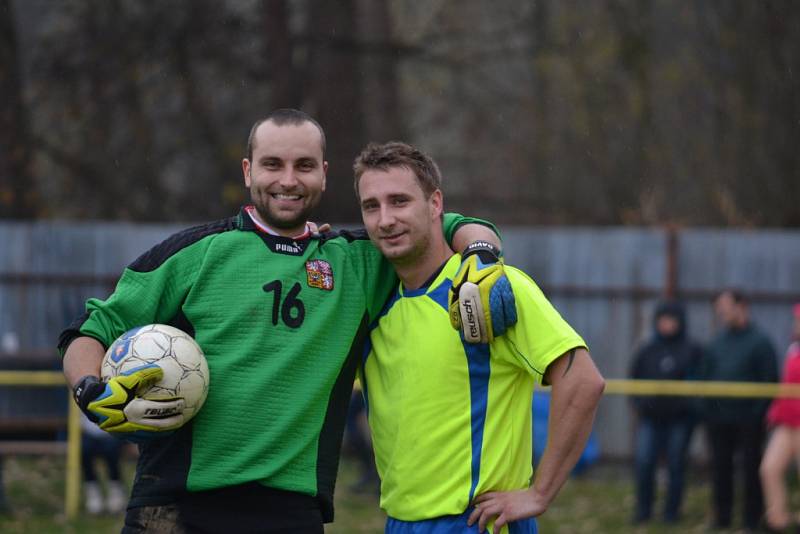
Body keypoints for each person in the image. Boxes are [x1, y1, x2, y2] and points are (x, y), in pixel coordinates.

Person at [58, 109, 514, 533]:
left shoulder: (359, 263)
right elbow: (90, 331)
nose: (288, 180)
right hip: (174, 504)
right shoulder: (194, 254)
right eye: (272, 164)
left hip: (291, 511)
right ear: (248, 171)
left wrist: (482, 254)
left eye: (304, 166)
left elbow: (446, 222)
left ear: (324, 174)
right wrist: (88, 389)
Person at [353, 141, 605, 533]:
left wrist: (539, 494)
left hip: (477, 522)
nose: (385, 219)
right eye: (372, 206)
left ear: (435, 204)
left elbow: (583, 381)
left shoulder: (489, 288)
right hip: (400, 522)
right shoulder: (374, 300)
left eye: (399, 201)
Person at [700, 289, 779, 531]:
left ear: (741, 305)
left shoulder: (760, 341)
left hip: (749, 420)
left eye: (726, 305)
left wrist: (756, 414)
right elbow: (704, 376)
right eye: (719, 307)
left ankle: (751, 520)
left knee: (752, 470)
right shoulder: (717, 342)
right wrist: (709, 411)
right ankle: (722, 517)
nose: (721, 311)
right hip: (720, 420)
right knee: (721, 470)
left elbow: (769, 380)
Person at [628, 300, 703, 524]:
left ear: (680, 322)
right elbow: (634, 379)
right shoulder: (647, 350)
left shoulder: (692, 349)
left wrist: (688, 408)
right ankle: (643, 511)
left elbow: (699, 382)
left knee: (676, 465)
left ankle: (672, 513)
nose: (667, 324)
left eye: (671, 319)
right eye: (663, 319)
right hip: (650, 419)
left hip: (680, 420)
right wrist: (641, 405)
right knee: (644, 462)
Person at [760, 303, 800, 531]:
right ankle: (778, 520)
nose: (797, 324)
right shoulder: (793, 348)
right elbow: (787, 384)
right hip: (786, 423)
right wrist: (775, 410)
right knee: (770, 468)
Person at [81, 412, 127, 515]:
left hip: (111, 432)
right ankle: (93, 493)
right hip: (88, 433)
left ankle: (116, 492)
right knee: (84, 452)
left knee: (110, 451)